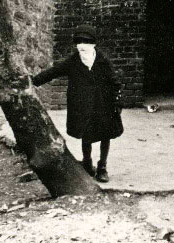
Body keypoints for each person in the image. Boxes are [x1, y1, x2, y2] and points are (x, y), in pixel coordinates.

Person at [32, 24, 123, 182]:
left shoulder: (102, 60)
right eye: (79, 42)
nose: (82, 46)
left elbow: (114, 81)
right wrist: (35, 80)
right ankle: (87, 164)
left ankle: (102, 167)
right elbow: (55, 71)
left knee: (105, 136)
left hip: (103, 104)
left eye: (86, 42)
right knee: (86, 136)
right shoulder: (73, 61)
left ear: (93, 44)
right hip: (82, 106)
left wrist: (117, 100)